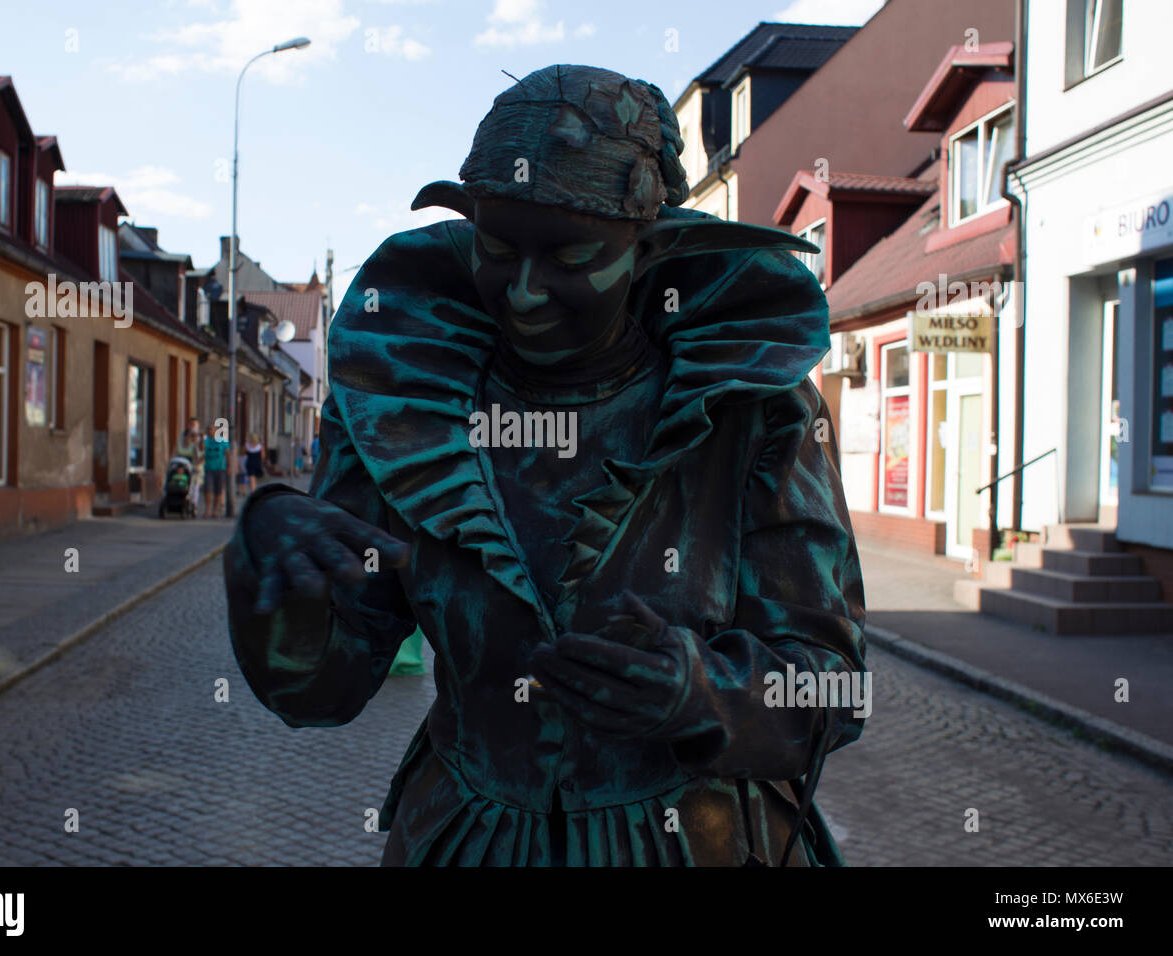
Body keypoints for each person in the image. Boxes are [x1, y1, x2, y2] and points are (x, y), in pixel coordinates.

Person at [223, 65, 866, 866]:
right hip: (466, 843)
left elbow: (834, 686)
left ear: (648, 248)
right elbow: (320, 691)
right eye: (496, 247)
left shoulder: (755, 409)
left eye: (569, 256)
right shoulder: (405, 400)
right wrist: (273, 550)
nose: (524, 292)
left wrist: (699, 691)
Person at [175, 418, 205, 511]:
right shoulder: (182, 437)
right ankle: (182, 503)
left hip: (195, 468)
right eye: (191, 424)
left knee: (194, 488)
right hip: (183, 467)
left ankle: (193, 504)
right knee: (185, 485)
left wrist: (196, 444)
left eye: (195, 424)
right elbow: (176, 452)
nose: (193, 427)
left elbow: (201, 455)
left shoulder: (200, 438)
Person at [203, 423, 230, 518]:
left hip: (220, 468)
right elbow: (201, 452)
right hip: (208, 468)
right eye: (208, 429)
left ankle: (214, 511)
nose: (210, 431)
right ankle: (207, 510)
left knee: (218, 491)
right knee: (207, 490)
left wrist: (229, 467)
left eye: (211, 429)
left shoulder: (223, 441)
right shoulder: (205, 441)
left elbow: (227, 454)